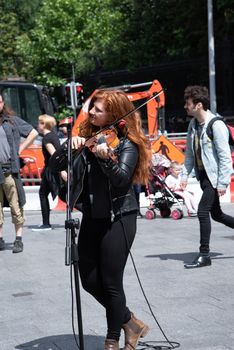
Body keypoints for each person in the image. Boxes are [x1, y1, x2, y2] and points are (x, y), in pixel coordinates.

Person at [66, 90, 151, 349]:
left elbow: (122, 179)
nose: (91, 113)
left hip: (119, 217)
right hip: (93, 216)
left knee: (111, 282)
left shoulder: (127, 144)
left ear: (114, 114)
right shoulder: (88, 138)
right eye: (92, 108)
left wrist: (106, 160)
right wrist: (72, 151)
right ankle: (130, 321)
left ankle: (113, 337)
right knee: (88, 280)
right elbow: (71, 175)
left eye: (97, 110)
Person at [180, 85, 234, 268]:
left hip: (214, 178)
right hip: (203, 176)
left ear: (198, 105)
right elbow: (189, 154)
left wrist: (222, 182)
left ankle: (204, 255)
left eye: (188, 104)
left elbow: (225, 157)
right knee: (217, 214)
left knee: (203, 212)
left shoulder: (216, 125)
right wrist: (184, 176)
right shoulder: (193, 125)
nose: (185, 107)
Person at [0, 93, 38, 253]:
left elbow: (33, 132)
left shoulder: (12, 121)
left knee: (16, 206)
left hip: (9, 170)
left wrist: (19, 149)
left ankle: (18, 239)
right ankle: (0, 238)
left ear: (3, 103)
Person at [32, 114, 66, 231]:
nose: (37, 125)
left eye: (39, 123)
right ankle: (46, 222)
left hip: (51, 171)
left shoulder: (47, 138)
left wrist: (62, 171)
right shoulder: (54, 136)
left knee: (44, 194)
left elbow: (55, 155)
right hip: (53, 170)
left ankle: (46, 224)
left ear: (43, 124)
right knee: (61, 194)